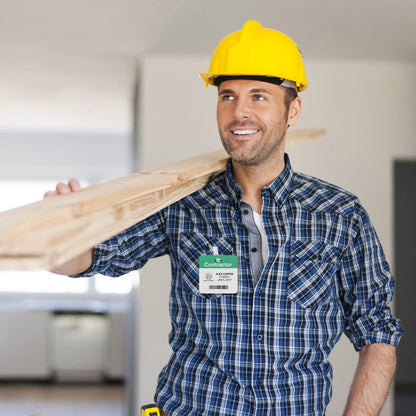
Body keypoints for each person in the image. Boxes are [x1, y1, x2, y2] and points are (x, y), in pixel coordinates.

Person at [46, 20, 403, 416]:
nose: (239, 112)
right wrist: (61, 238)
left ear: (293, 110)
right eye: (227, 96)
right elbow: (96, 257)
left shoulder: (339, 215)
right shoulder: (183, 203)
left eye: (259, 97)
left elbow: (377, 333)